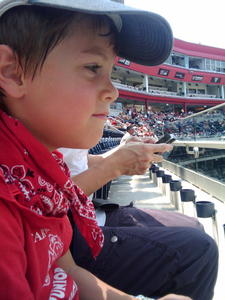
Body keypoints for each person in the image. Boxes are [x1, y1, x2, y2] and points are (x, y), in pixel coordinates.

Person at [0, 0, 192, 299]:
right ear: (12, 73)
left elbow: (66, 270)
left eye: (111, 71)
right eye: (92, 67)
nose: (113, 91)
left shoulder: (39, 175)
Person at [59, 145, 218, 300]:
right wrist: (113, 167)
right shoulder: (40, 149)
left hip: (92, 212)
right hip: (74, 230)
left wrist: (121, 152)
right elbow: (48, 205)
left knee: (193, 225)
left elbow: (77, 160)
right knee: (199, 249)